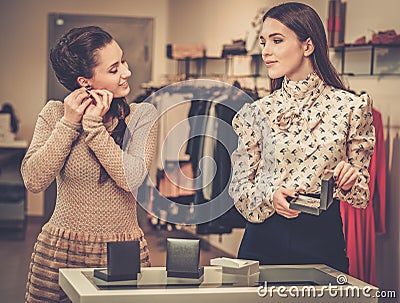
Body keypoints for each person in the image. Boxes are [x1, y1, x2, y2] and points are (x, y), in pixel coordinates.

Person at [229, 2, 375, 273]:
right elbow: (239, 189)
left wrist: (348, 180)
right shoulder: (256, 112)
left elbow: (362, 194)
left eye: (276, 40)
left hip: (322, 243)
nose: (266, 52)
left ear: (307, 46)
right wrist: (270, 196)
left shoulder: (351, 108)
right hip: (262, 244)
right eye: (263, 42)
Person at [21, 26, 158, 302]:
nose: (126, 72)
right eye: (114, 68)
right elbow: (34, 180)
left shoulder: (141, 116)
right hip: (60, 251)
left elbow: (133, 179)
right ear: (85, 81)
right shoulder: (54, 114)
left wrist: (94, 128)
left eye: (123, 61)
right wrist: (70, 123)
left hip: (122, 252)